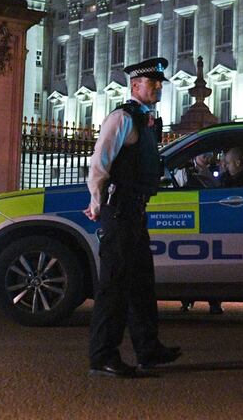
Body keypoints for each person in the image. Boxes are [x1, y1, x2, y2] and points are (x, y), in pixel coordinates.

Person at [84, 57, 182, 379]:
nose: (157, 88)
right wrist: (98, 204)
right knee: (114, 286)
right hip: (120, 210)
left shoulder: (147, 121)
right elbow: (99, 165)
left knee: (141, 283)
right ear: (135, 85)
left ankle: (148, 349)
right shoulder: (122, 119)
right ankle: (102, 356)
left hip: (136, 211)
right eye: (152, 83)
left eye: (159, 83)